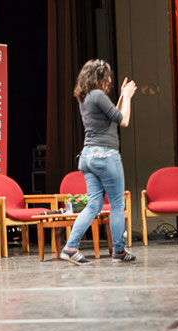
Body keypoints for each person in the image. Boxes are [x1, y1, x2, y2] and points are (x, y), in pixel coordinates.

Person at [60, 59, 137, 265]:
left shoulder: (85, 97)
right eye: (108, 78)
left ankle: (70, 247)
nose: (110, 82)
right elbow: (124, 120)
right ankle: (119, 251)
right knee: (117, 205)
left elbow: (113, 115)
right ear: (100, 77)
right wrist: (128, 98)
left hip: (88, 157)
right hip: (106, 155)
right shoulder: (99, 96)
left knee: (94, 204)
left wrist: (121, 96)